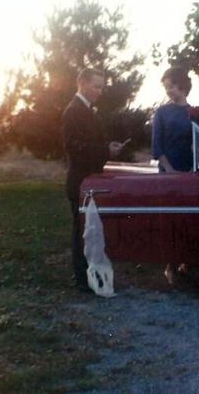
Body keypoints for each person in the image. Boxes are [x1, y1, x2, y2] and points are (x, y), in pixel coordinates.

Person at [62, 68, 124, 290]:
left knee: (89, 230)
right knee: (81, 231)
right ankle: (82, 280)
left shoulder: (87, 110)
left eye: (102, 87)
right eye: (97, 86)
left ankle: (90, 276)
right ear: (82, 84)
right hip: (79, 181)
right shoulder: (73, 111)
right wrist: (105, 150)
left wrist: (108, 150)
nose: (100, 91)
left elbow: (91, 144)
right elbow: (74, 148)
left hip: (89, 181)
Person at [151, 66, 199, 284]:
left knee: (189, 217)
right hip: (168, 171)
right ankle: (170, 265)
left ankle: (186, 260)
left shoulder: (196, 113)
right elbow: (157, 146)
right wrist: (170, 170)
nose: (169, 91)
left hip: (190, 171)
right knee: (170, 218)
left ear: (182, 85)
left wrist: (196, 167)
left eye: (171, 86)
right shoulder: (162, 113)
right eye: (166, 88)